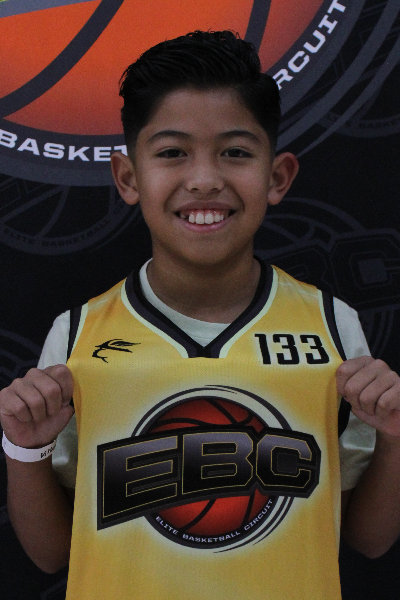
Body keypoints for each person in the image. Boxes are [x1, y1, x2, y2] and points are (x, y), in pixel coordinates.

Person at [1, 30, 400, 600]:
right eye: (172, 153)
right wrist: (24, 448)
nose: (205, 179)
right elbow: (50, 554)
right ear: (128, 177)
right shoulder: (78, 334)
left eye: (235, 152)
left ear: (278, 176)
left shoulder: (333, 326)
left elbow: (370, 539)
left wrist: (395, 438)